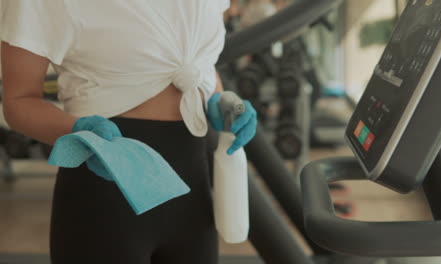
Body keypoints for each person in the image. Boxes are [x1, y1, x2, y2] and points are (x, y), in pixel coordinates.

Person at [0, 0, 257, 263]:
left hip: (191, 192)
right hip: (106, 192)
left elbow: (201, 63)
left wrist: (218, 99)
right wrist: (76, 129)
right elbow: (18, 102)